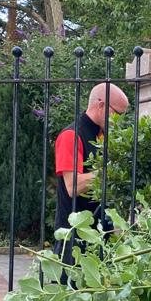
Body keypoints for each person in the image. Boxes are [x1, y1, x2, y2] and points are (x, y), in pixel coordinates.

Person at [53, 82, 130, 268]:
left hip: (101, 236)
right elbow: (73, 186)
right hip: (74, 240)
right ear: (101, 105)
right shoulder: (71, 135)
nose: (120, 120)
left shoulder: (102, 136)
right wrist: (110, 173)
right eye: (117, 114)